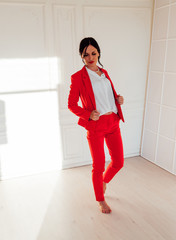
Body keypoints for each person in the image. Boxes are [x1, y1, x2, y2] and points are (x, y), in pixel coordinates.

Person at [68, 37, 125, 214]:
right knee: (98, 165)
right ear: (82, 57)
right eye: (86, 55)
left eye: (94, 53)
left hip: (113, 121)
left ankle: (103, 182)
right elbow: (71, 104)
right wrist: (87, 115)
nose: (91, 57)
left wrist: (117, 100)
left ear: (98, 52)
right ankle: (100, 200)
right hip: (96, 126)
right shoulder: (78, 77)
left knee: (118, 162)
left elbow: (106, 95)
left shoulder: (105, 73)